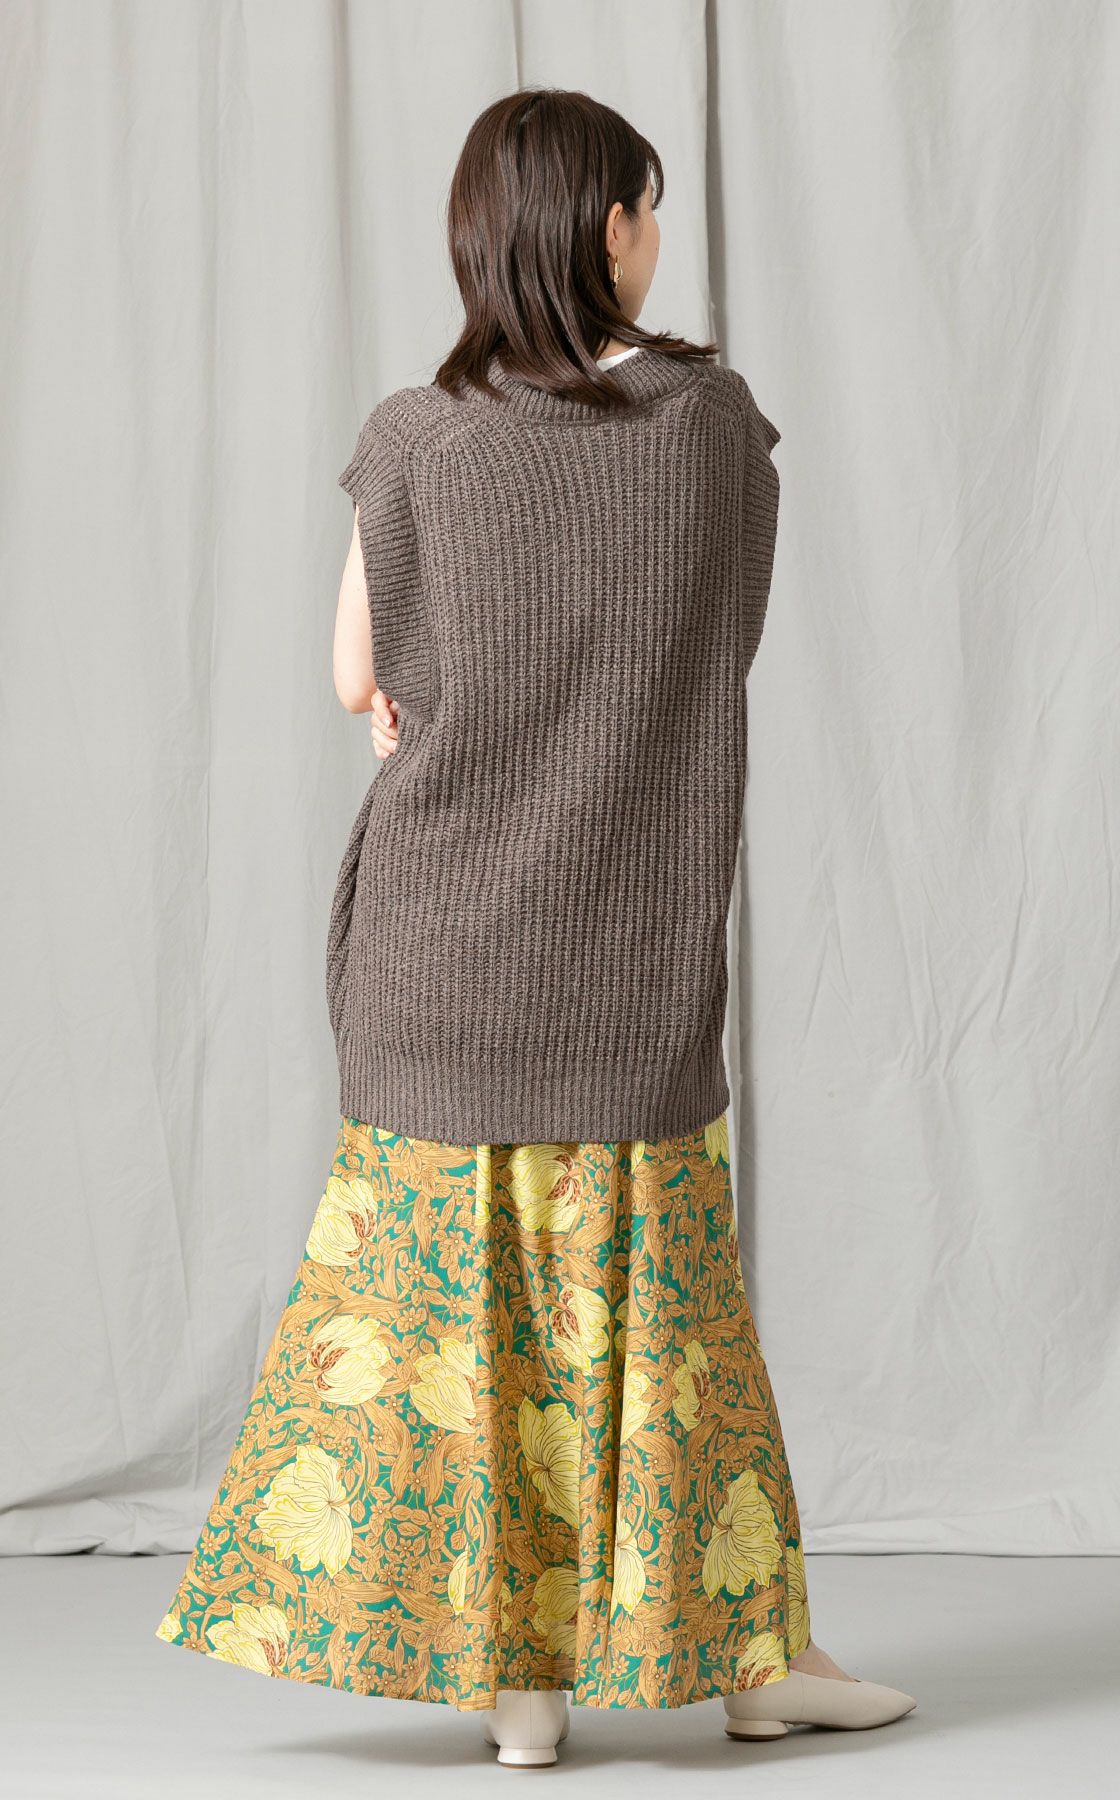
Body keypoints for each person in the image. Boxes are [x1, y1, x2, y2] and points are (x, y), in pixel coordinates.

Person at [154, 87, 914, 1766]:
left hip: (435, 959)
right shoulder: (711, 431)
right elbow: (720, 637)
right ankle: (752, 1661)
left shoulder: (417, 437)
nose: (658, 233)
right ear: (610, 228)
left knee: (460, 1338)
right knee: (661, 1336)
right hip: (628, 963)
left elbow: (358, 678)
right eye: (649, 206)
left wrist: (410, 700)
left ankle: (519, 1696)